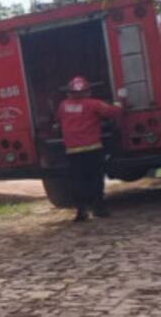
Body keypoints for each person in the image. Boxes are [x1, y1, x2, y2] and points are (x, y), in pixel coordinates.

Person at [55, 75, 123, 221]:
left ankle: (81, 211)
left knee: (77, 181)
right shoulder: (94, 104)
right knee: (95, 179)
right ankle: (99, 208)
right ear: (87, 91)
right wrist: (119, 102)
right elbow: (114, 112)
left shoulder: (63, 106)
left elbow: (59, 120)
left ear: (70, 92)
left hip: (73, 151)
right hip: (92, 149)